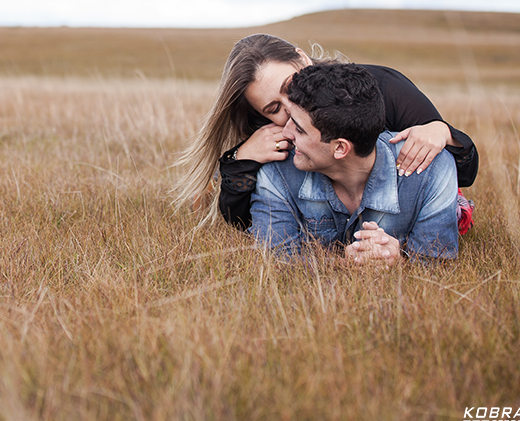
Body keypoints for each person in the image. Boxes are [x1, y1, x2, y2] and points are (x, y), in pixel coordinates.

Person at [173, 34, 477, 232]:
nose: (290, 109)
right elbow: (244, 222)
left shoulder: (381, 87)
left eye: (288, 87)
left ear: (302, 58)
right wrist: (243, 160)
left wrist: (441, 131)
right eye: (273, 108)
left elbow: (460, 173)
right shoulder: (271, 131)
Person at [250, 62, 459, 263]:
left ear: (340, 148)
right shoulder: (276, 171)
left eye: (299, 128)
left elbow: (436, 264)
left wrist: (399, 260)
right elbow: (273, 260)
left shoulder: (432, 170)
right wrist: (347, 263)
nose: (285, 133)